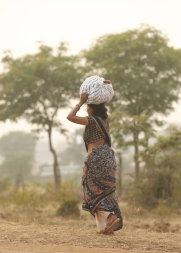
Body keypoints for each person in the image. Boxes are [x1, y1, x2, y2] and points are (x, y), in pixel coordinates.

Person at [66, 80, 123, 235]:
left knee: (91, 193)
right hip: (109, 158)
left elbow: (70, 117)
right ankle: (104, 228)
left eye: (87, 107)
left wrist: (80, 101)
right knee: (104, 193)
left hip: (96, 157)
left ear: (91, 108)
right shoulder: (105, 120)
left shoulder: (90, 121)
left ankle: (110, 217)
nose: (86, 109)